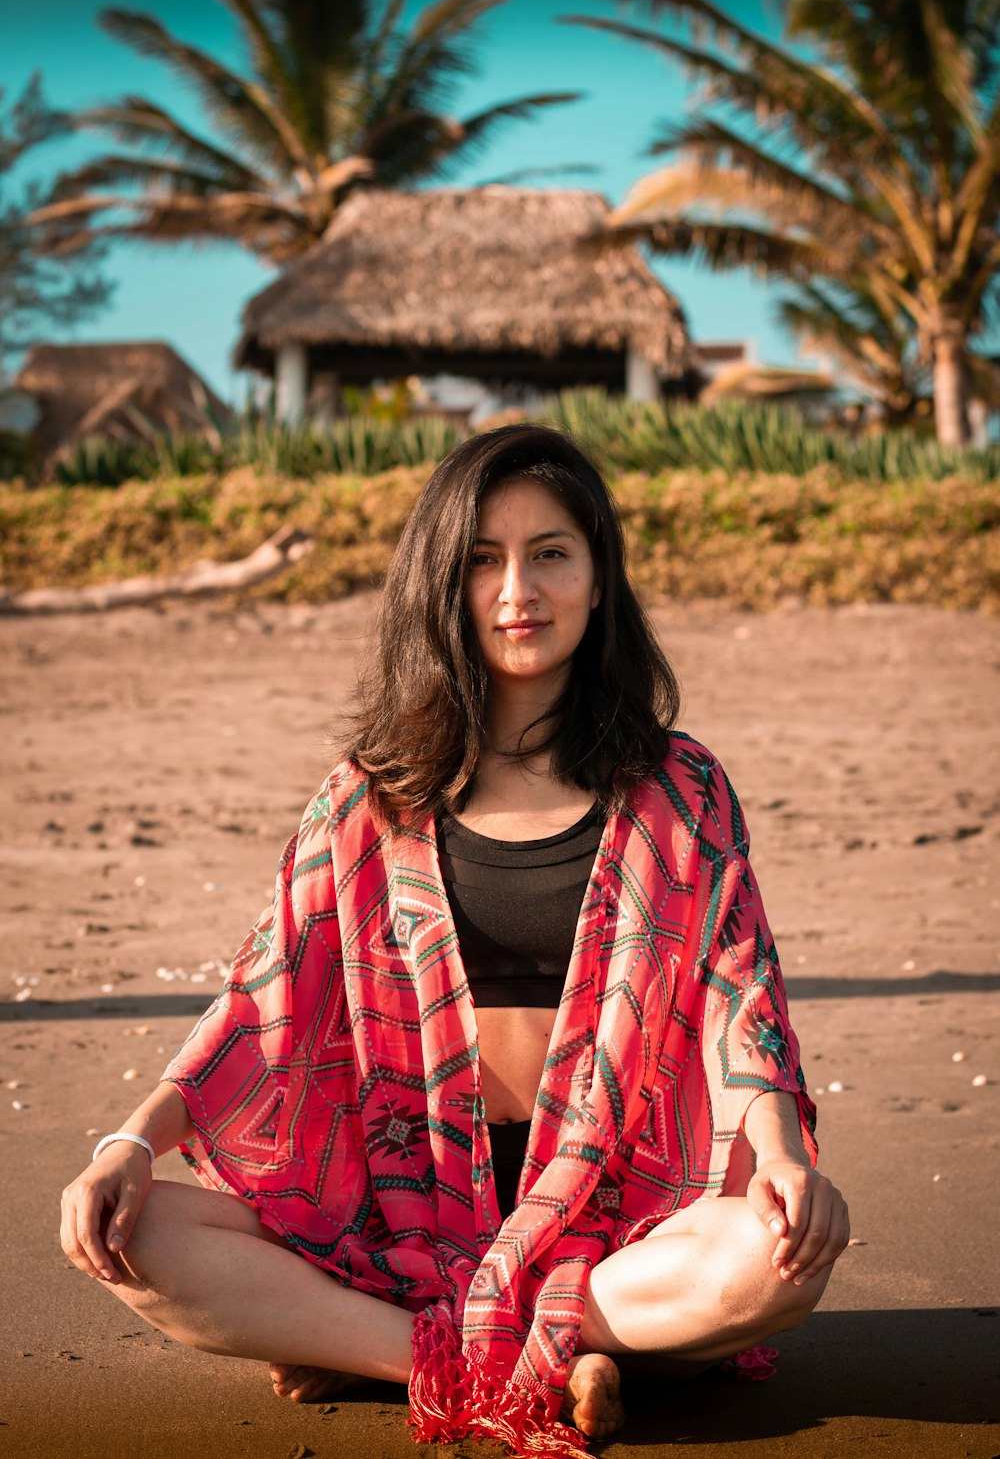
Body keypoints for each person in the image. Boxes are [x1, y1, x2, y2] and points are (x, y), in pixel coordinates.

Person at [59, 425, 849, 1456]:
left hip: (619, 1217)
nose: (517, 588)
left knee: (775, 1252)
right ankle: (536, 1356)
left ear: (599, 576)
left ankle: (416, 1349)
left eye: (549, 552)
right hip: (400, 1217)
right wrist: (126, 1146)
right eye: (482, 559)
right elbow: (261, 1000)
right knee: (140, 1234)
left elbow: (739, 990)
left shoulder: (677, 787)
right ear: (442, 584)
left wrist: (782, 1153)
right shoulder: (367, 797)